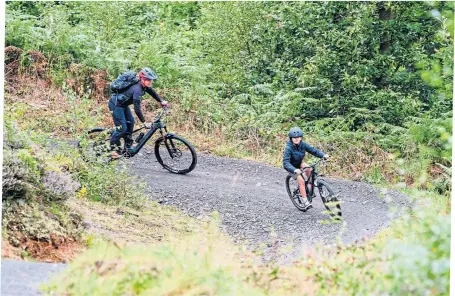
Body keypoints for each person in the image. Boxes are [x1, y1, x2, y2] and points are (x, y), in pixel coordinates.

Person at [108, 67, 168, 158]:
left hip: (123, 105)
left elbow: (151, 91)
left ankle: (128, 145)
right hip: (115, 105)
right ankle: (112, 149)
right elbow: (137, 109)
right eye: (148, 80)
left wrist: (161, 101)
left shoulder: (143, 85)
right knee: (122, 129)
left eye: (151, 80)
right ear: (142, 79)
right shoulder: (137, 90)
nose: (150, 82)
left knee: (131, 122)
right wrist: (144, 122)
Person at [283, 127, 329, 210]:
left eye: (298, 137)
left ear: (301, 137)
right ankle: (305, 201)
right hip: (292, 166)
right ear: (291, 138)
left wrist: (323, 155)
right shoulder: (288, 148)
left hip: (299, 162)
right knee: (301, 181)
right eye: (294, 138)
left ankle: (309, 188)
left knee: (309, 169)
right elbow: (285, 163)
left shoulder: (302, 144)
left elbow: (313, 150)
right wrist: (294, 170)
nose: (297, 139)